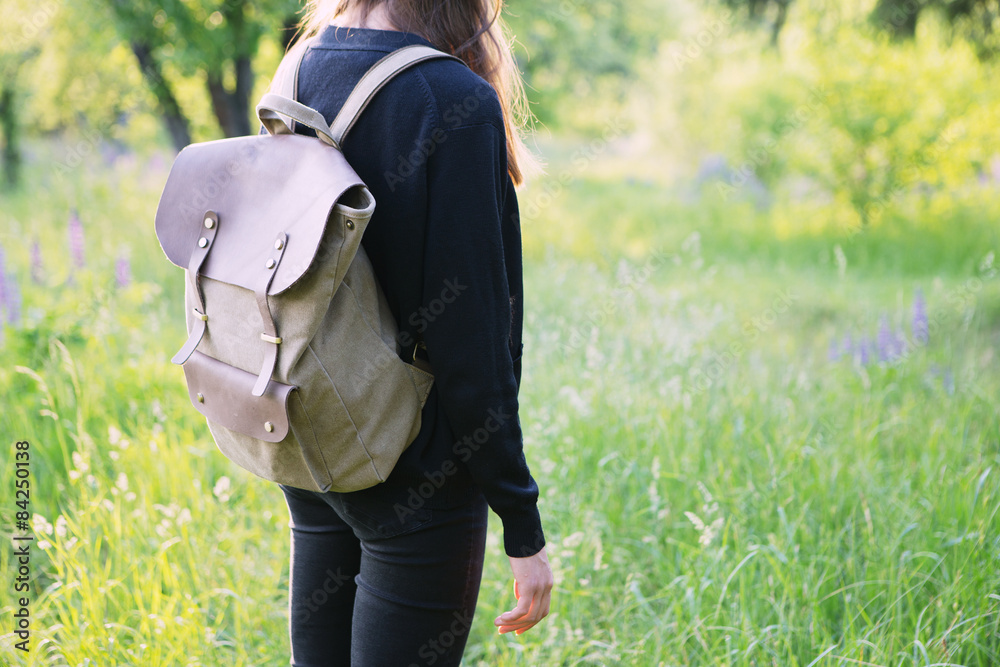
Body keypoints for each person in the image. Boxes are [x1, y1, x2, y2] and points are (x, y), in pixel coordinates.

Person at [271, 1, 553, 665]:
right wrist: (523, 522)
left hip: (307, 431)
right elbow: (473, 350)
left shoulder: (298, 65)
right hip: (415, 467)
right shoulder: (451, 97)